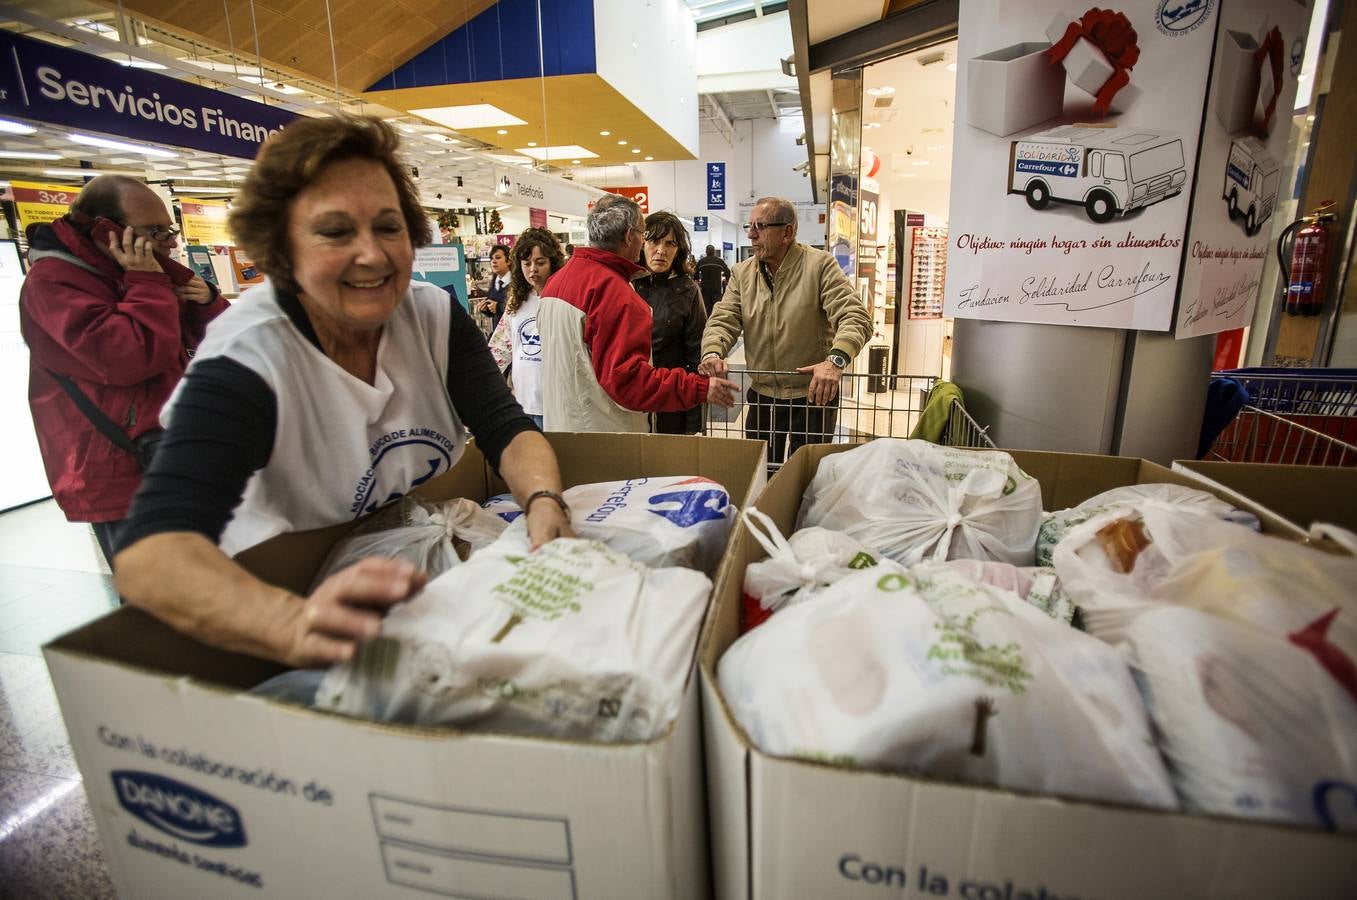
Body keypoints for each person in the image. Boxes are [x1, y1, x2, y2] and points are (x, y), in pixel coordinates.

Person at [112, 115, 573, 667]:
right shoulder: (249, 359)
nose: (373, 255)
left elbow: (505, 428)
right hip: (271, 598)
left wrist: (543, 501)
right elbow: (152, 554)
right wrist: (292, 624)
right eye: (335, 232)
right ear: (281, 250)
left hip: (400, 557)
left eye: (388, 227)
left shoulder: (432, 316)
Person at [18, 175, 227, 565]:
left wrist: (207, 304)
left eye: (169, 231)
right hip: (124, 470)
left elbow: (224, 346)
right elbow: (128, 357)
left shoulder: (137, 272)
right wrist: (148, 282)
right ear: (106, 230)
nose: (169, 243)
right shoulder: (54, 284)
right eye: (155, 231)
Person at [537, 194, 738, 433]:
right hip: (605, 432)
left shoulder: (557, 282)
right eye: (645, 236)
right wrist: (699, 389)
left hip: (560, 425)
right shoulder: (613, 292)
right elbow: (629, 382)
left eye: (670, 244)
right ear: (629, 236)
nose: (657, 249)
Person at [700, 196, 871, 464]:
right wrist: (712, 352)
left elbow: (855, 316)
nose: (751, 234)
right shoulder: (742, 274)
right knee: (762, 471)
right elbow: (724, 318)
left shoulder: (820, 266)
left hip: (814, 395)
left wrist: (835, 361)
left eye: (760, 226)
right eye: (749, 226)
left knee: (807, 474)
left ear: (787, 232)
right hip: (763, 395)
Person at [634, 211, 706, 435]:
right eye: (654, 241)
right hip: (629, 398)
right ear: (641, 243)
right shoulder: (626, 284)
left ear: (679, 250)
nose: (661, 251)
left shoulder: (687, 290)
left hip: (672, 397)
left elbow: (696, 354)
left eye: (670, 244)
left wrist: (693, 417)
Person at [489, 227, 565, 429]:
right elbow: (500, 348)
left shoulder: (564, 300)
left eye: (540, 263)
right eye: (527, 263)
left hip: (556, 403)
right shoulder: (517, 301)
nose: (533, 270)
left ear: (553, 262)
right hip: (523, 401)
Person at [475, 244, 511, 330]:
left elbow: (519, 307)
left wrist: (498, 307)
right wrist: (486, 309)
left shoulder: (517, 283)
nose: (493, 261)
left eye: (498, 258)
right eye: (491, 258)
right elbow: (493, 312)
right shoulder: (495, 283)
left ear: (509, 261)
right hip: (498, 333)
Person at [694, 244, 731, 316]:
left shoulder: (701, 261)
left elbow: (695, 273)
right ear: (714, 252)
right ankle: (716, 319)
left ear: (706, 252)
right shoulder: (719, 261)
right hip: (716, 287)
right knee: (716, 306)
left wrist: (697, 279)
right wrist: (727, 280)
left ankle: (707, 320)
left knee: (706, 307)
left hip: (705, 288)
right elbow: (727, 272)